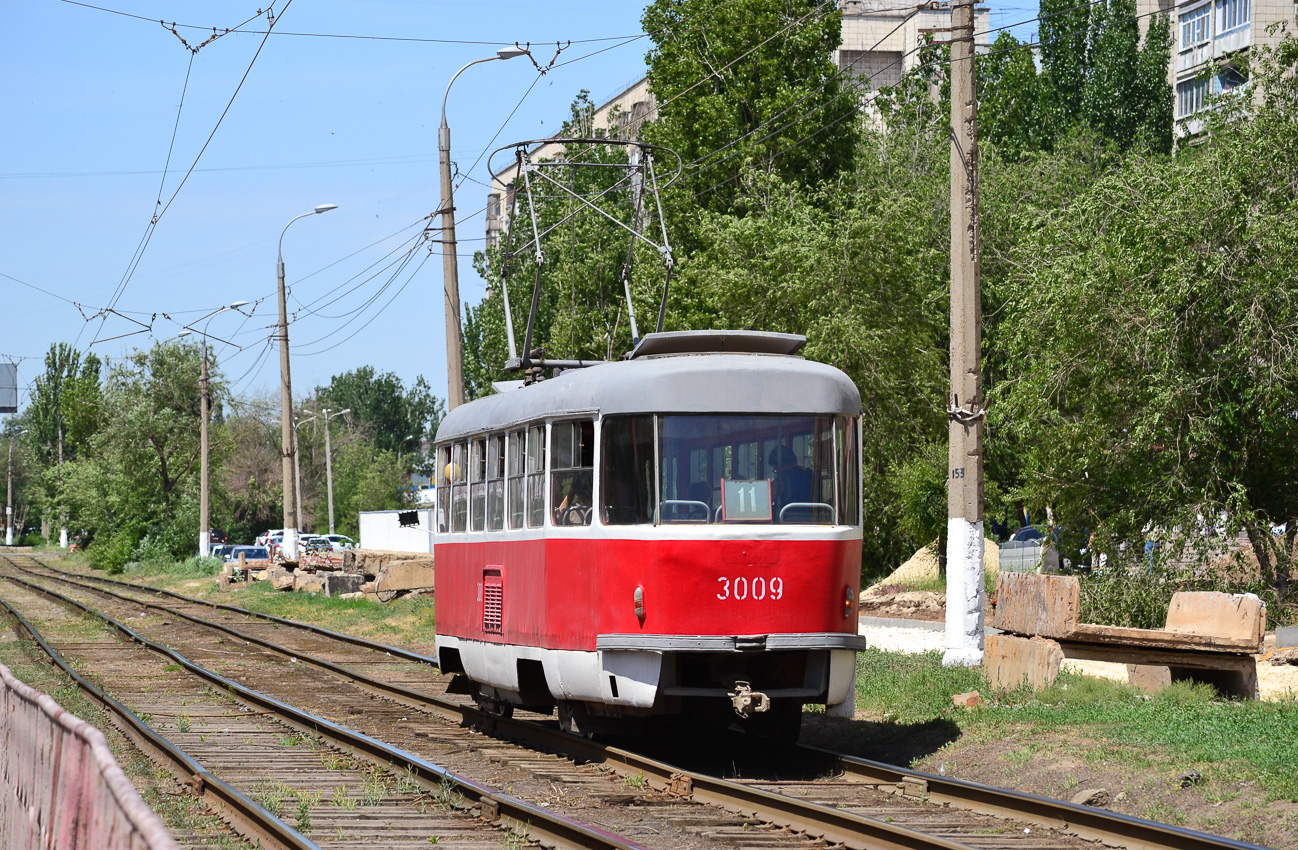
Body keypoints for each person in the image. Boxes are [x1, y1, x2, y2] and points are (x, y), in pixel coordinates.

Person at [768, 445, 813, 518]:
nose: (776, 471)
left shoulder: (781, 480)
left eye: (775, 468)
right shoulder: (810, 475)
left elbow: (768, 502)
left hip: (786, 519)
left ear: (781, 465)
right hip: (812, 519)